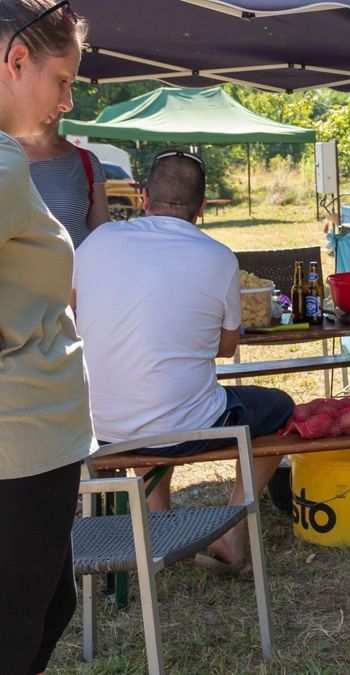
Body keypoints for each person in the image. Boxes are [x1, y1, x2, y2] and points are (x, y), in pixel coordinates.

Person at [73, 150, 294, 575]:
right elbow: (227, 348)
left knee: (157, 401)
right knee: (281, 409)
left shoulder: (97, 241)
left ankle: (160, 525)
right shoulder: (218, 256)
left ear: (142, 196)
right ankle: (231, 534)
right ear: (203, 207)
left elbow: (72, 314)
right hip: (177, 426)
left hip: (98, 423)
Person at [0, 2, 94, 671]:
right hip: (19, 444)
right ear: (15, 62)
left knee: (49, 602)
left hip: (34, 441)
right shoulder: (3, 163)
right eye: (62, 81)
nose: (66, 101)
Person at [17, 111, 107, 248]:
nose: (67, 103)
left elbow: (101, 236)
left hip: (76, 268)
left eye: (68, 90)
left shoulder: (86, 161)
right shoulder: (5, 154)